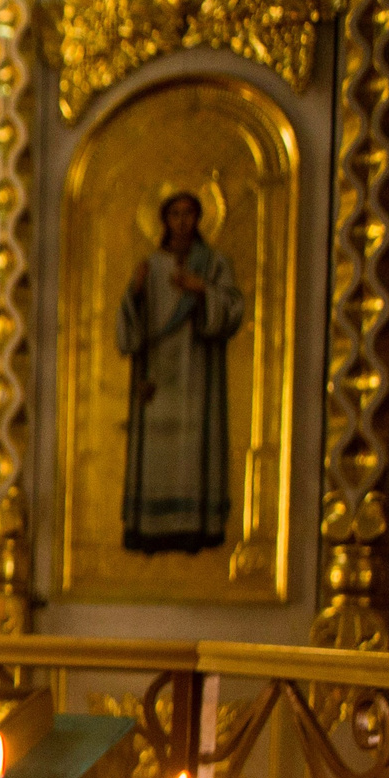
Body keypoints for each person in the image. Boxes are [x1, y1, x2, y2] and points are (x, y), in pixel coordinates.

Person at [119, 190, 242, 554]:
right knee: (157, 450)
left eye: (189, 213)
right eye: (175, 214)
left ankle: (197, 528)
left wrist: (202, 290)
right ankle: (149, 530)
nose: (183, 221)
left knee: (195, 448)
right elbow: (130, 318)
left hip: (199, 372)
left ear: (199, 218)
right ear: (164, 220)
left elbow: (233, 307)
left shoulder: (214, 263)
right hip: (158, 372)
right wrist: (136, 291)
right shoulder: (152, 264)